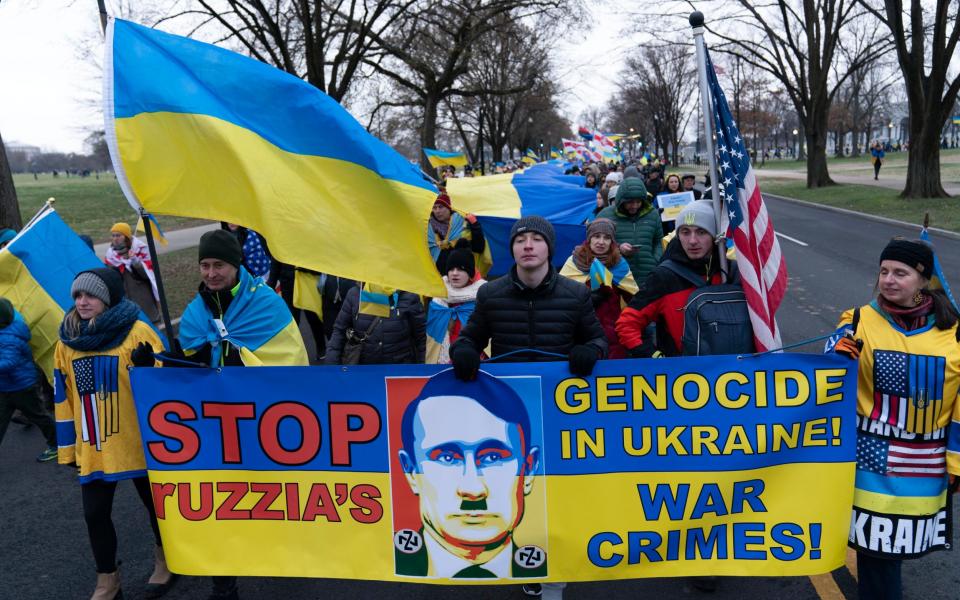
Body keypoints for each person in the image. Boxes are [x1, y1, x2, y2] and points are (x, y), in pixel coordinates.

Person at [133, 230, 307, 600]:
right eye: (205, 265)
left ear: (236, 265)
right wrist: (154, 365)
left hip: (262, 421)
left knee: (266, 493)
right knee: (217, 500)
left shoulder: (267, 304)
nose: (211, 273)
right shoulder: (196, 313)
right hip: (214, 424)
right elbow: (188, 368)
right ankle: (223, 584)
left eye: (219, 265)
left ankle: (284, 551)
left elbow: (292, 365)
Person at [450, 215, 607, 600]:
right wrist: (465, 352)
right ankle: (531, 561)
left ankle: (559, 572)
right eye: (522, 239)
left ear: (549, 248)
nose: (528, 245)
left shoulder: (575, 294)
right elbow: (470, 338)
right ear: (514, 248)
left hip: (562, 413)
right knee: (524, 490)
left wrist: (589, 351)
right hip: (511, 413)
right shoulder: (491, 294)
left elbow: (600, 341)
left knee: (562, 490)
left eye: (537, 239)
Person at [828, 238, 960, 600]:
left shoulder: (955, 332)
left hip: (926, 465)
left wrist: (956, 462)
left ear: (923, 280)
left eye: (900, 273)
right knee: (876, 554)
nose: (888, 279)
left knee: (897, 549)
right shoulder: (859, 319)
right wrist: (838, 351)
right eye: (884, 271)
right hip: (869, 459)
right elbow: (831, 358)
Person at [54, 269, 176, 600]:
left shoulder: (137, 332)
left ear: (107, 299)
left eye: (90, 295)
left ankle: (167, 561)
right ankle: (107, 580)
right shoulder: (66, 341)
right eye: (77, 296)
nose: (82, 302)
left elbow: (166, 389)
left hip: (140, 439)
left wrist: (151, 367)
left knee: (155, 506)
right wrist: (67, 449)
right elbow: (63, 399)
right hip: (94, 443)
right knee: (94, 514)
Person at [394, 369, 544, 578]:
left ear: (528, 469)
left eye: (493, 457)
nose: (473, 490)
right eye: (447, 458)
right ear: (411, 472)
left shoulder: (548, 561)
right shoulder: (383, 561)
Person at [616, 201, 750, 361]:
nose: (692, 241)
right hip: (682, 377)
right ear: (677, 235)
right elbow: (626, 324)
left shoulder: (732, 272)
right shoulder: (664, 277)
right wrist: (653, 357)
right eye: (685, 232)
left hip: (734, 373)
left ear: (714, 235)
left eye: (701, 232)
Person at [559, 219, 638, 358]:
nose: (601, 242)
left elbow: (633, 298)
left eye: (607, 238)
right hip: (580, 332)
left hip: (614, 332)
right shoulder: (573, 261)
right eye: (596, 236)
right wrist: (587, 296)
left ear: (612, 241)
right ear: (589, 239)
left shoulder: (620, 263)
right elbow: (561, 296)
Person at [0, 297, 58, 462]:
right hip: (6, 386)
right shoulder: (9, 323)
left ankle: (57, 445)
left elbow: (9, 363)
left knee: (39, 416)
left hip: (21, 386)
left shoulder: (9, 339)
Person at [325, 283, 426, 365]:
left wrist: (423, 370)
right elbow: (339, 331)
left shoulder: (409, 296)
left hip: (398, 371)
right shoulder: (355, 294)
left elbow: (421, 338)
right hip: (364, 371)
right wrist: (331, 368)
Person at [595, 177, 664, 285]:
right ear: (621, 200)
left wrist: (656, 259)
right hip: (617, 278)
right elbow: (593, 243)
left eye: (638, 201)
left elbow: (659, 240)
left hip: (648, 277)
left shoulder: (653, 214)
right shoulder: (605, 215)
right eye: (630, 202)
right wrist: (618, 248)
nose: (635, 206)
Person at [425, 244, 486, 364]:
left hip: (474, 360)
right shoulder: (438, 297)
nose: (454, 273)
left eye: (460, 269)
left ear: (470, 273)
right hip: (441, 362)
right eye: (451, 269)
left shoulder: (483, 297)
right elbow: (430, 336)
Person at [104, 222, 160, 323]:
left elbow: (148, 275)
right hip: (125, 301)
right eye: (113, 236)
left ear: (126, 237)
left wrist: (135, 261)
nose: (115, 239)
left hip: (143, 299)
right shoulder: (110, 257)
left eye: (118, 235)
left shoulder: (140, 250)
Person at [427, 191, 486, 275]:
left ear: (449, 208)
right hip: (438, 277)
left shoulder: (463, 223)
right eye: (434, 208)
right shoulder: (428, 228)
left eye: (441, 207)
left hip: (463, 274)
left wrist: (475, 225)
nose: (437, 211)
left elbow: (478, 247)